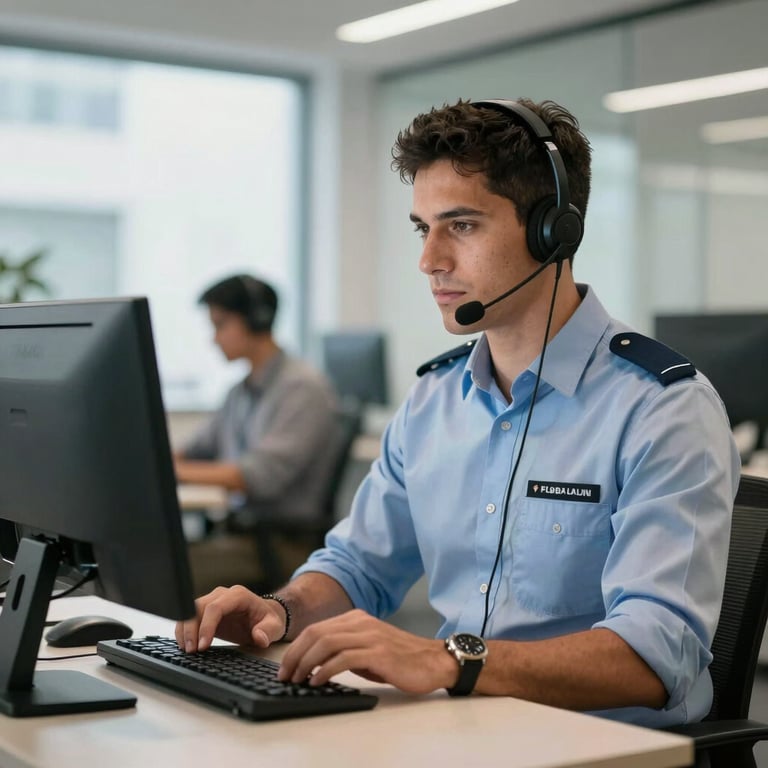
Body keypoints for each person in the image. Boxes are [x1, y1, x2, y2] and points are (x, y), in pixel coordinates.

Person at [176, 100, 740, 727]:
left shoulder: (662, 409)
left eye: (462, 225)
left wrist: (451, 661)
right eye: (423, 228)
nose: (430, 260)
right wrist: (278, 610)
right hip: (459, 727)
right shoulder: (433, 401)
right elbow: (359, 566)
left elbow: (656, 655)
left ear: (553, 231)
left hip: (599, 747)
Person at [174, 274, 338, 525]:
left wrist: (176, 472)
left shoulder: (301, 388)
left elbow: (259, 477)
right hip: (240, 528)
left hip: (278, 538)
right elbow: (196, 449)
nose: (214, 339)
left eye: (220, 325)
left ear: (256, 320)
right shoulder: (240, 392)